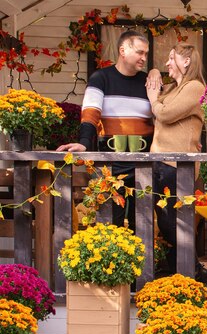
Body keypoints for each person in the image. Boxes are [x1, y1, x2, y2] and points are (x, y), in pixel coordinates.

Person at [57, 30, 154, 232]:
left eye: (146, 54)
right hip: (108, 164)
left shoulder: (148, 82)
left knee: (142, 225)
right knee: (109, 223)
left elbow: (163, 113)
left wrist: (154, 73)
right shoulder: (101, 77)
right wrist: (84, 141)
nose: (144, 58)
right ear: (123, 50)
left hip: (143, 164)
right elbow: (91, 113)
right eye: (140, 52)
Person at [145, 43, 207, 279]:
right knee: (165, 220)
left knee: (174, 221)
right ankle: (181, 269)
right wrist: (152, 72)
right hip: (160, 161)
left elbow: (165, 113)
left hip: (178, 165)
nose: (167, 63)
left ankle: (194, 269)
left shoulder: (195, 87)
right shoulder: (172, 89)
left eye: (172, 58)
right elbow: (160, 98)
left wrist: (153, 100)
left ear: (187, 61)